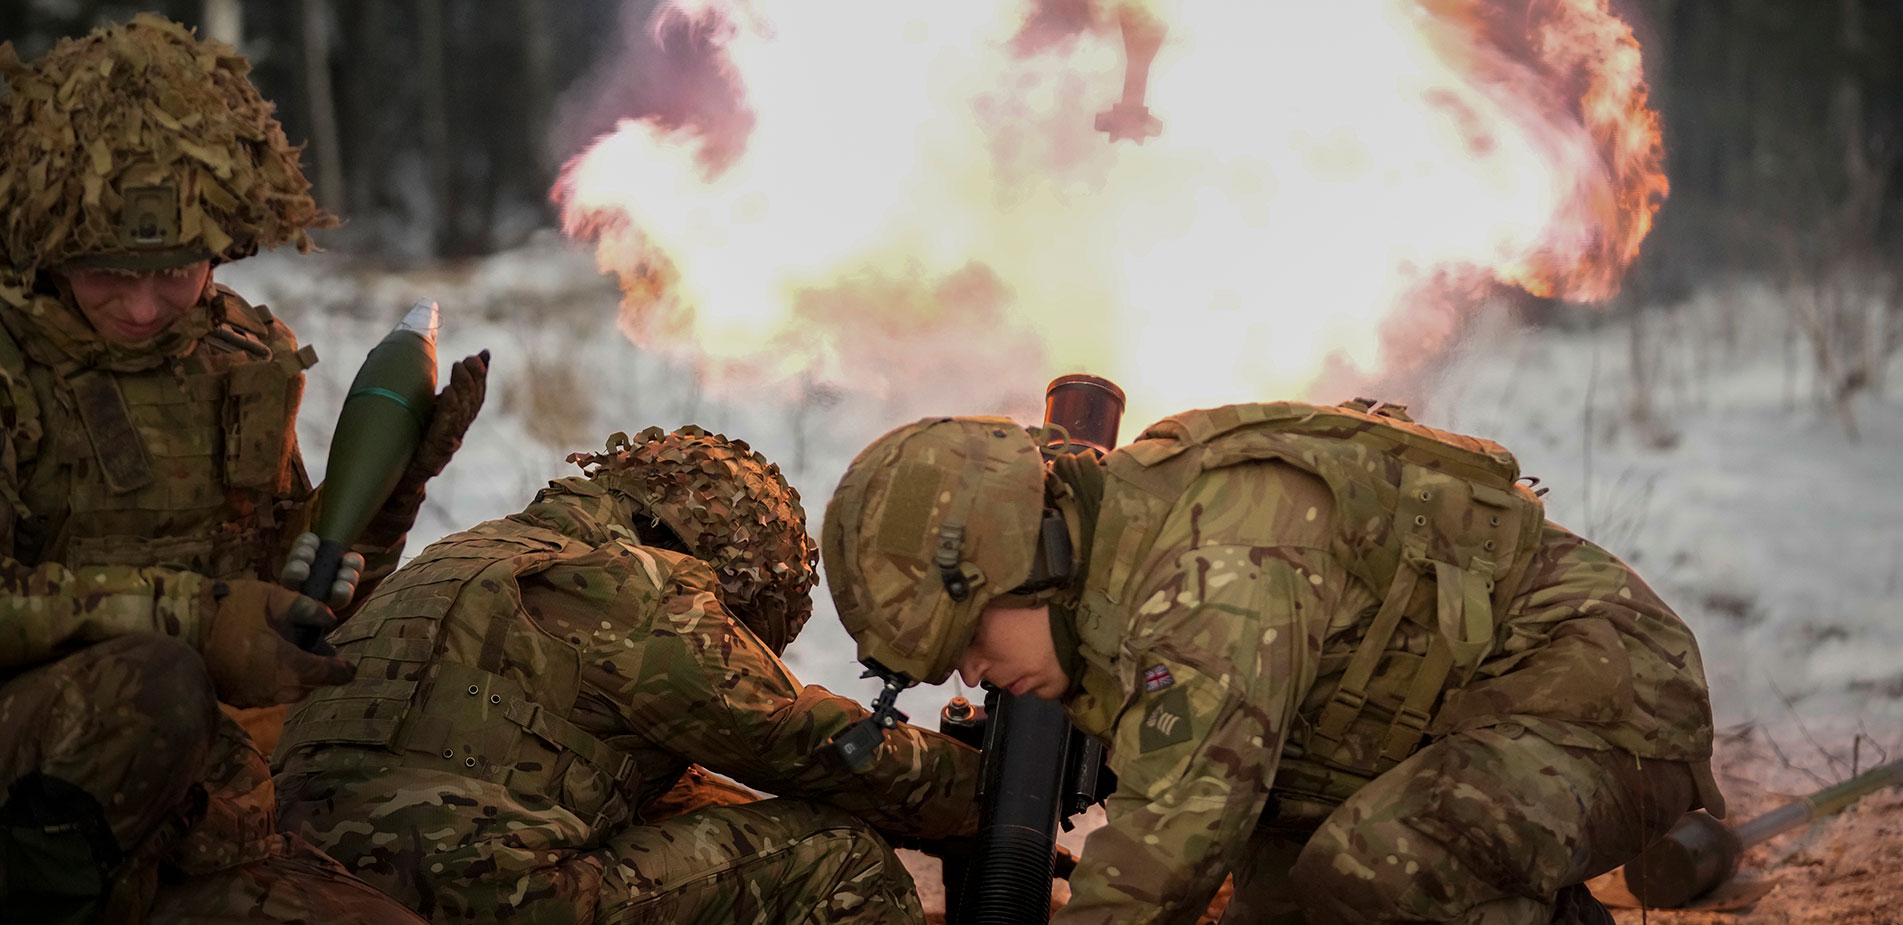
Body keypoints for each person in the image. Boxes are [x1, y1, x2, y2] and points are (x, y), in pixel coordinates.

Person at [820, 398, 1726, 924]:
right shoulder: (1119, 575)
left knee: (1378, 865)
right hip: (1434, 738)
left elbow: (1167, 849)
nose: (973, 673)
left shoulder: (1217, 561)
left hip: (1605, 712)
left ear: (1028, 558)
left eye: (969, 637)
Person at [0, 15, 482, 922]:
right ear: (47, 234)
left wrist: (382, 501)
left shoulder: (245, 356)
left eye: (177, 268)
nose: (143, 306)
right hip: (27, 787)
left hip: (194, 809)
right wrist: (194, 618)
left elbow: (286, 593)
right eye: (106, 271)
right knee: (156, 677)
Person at [275, 425, 982, 924]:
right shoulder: (637, 582)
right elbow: (793, 735)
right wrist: (982, 793)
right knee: (837, 859)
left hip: (312, 885)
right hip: (482, 897)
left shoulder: (466, 555)